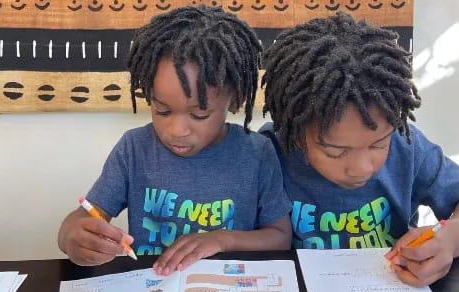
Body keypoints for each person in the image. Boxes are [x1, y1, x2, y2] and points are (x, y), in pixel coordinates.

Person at [260, 12, 459, 287]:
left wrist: (450, 239)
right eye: (335, 151)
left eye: (378, 143)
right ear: (298, 135)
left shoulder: (406, 146)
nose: (363, 168)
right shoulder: (270, 152)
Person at [58, 6, 291, 275]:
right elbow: (84, 218)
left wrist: (221, 239)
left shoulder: (258, 152)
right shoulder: (135, 149)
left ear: (236, 100)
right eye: (162, 110)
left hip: (229, 290)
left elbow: (280, 236)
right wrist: (72, 236)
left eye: (199, 114)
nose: (177, 130)